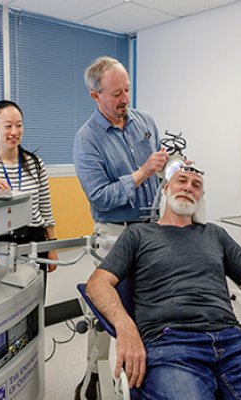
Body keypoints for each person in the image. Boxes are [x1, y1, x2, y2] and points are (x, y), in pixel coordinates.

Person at [86, 165, 241, 399]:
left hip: (232, 341)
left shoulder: (215, 235)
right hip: (171, 344)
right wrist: (125, 326)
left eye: (196, 185)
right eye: (182, 181)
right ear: (167, 188)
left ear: (201, 197)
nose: (188, 187)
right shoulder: (138, 235)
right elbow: (98, 283)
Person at [73, 56, 168, 399]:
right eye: (116, 93)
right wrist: (143, 172)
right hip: (115, 233)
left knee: (149, 305)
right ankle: (95, 376)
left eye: (127, 89)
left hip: (151, 227)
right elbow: (100, 197)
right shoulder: (87, 140)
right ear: (95, 96)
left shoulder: (145, 122)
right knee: (111, 312)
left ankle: (148, 373)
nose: (125, 98)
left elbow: (157, 173)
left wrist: (168, 172)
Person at [0, 100, 58, 292]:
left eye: (19, 125)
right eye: (8, 126)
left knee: (36, 301)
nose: (14, 132)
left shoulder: (36, 164)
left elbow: (45, 207)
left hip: (34, 240)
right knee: (2, 305)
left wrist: (52, 246)